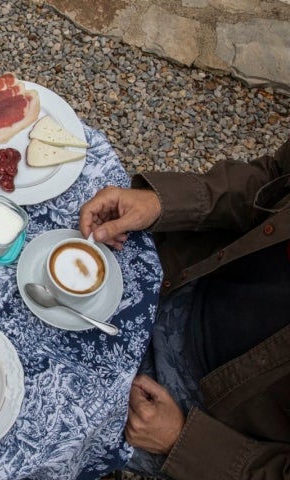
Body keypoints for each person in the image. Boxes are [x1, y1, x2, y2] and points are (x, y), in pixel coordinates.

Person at [78, 139, 290, 479]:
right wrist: (161, 202)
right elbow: (273, 178)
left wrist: (181, 440)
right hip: (192, 270)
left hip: (208, 411)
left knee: (65, 425)